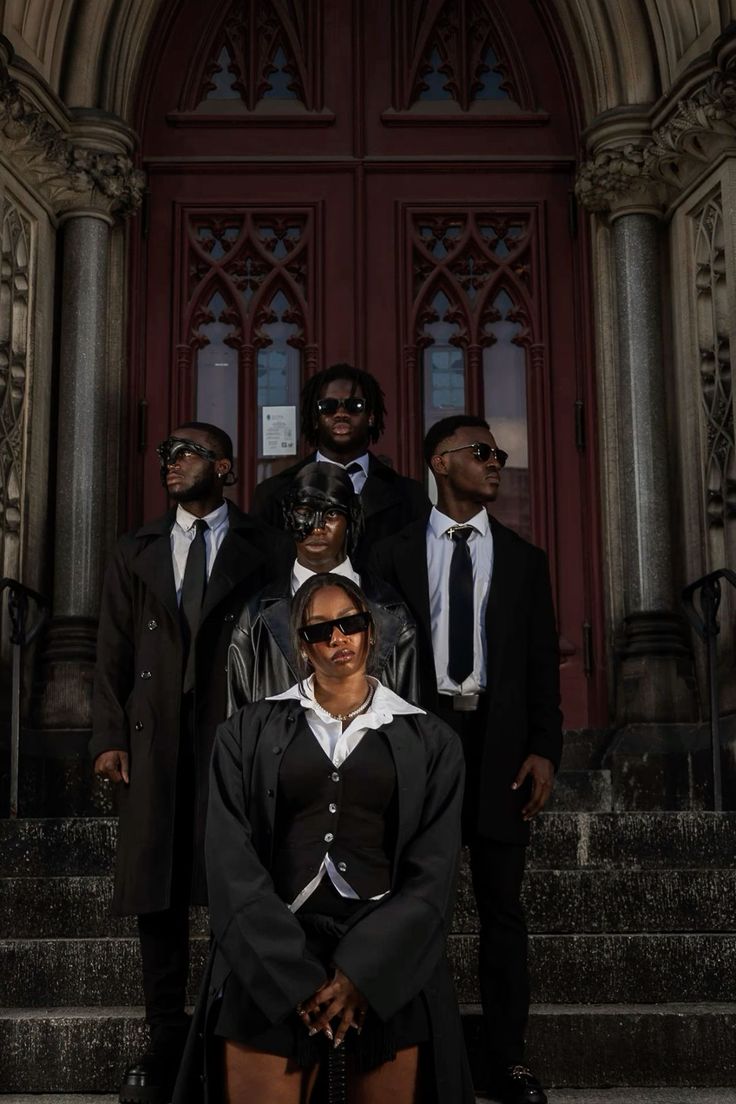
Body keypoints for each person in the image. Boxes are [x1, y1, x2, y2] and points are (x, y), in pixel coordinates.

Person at [174, 573, 474, 1104]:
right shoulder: (244, 733)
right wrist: (292, 976)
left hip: (387, 957)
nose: (339, 639)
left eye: (352, 624)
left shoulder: (432, 741)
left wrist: (363, 973)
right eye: (321, 631)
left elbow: (434, 873)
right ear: (301, 645)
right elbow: (228, 862)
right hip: (269, 951)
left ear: (371, 633)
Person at [91, 423, 289, 1104]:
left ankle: (232, 1028)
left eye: (187, 452)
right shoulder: (137, 548)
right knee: (159, 889)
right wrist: (108, 736)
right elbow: (110, 650)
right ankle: (164, 1038)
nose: (171, 462)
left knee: (237, 881)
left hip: (232, 733)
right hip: (154, 740)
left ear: (225, 466)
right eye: (165, 453)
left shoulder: (264, 546)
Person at [370, 415, 564, 1104]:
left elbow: (543, 665)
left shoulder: (523, 559)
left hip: (500, 747)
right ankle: (417, 1056)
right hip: (421, 741)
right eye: (482, 453)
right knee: (413, 907)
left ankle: (509, 1059)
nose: (497, 464)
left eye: (499, 453)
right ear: (440, 462)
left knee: (501, 908)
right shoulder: (389, 555)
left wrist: (545, 749)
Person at [228, 461, 418, 709]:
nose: (317, 527)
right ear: (288, 516)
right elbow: (238, 727)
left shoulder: (390, 610)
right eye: (304, 512)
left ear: (352, 517)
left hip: (368, 746)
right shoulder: (255, 617)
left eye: (331, 514)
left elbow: (410, 722)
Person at [250, 364, 430, 566]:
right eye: (328, 406)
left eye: (354, 405)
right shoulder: (272, 493)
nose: (341, 413)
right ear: (315, 419)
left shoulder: (411, 496)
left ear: (370, 416)